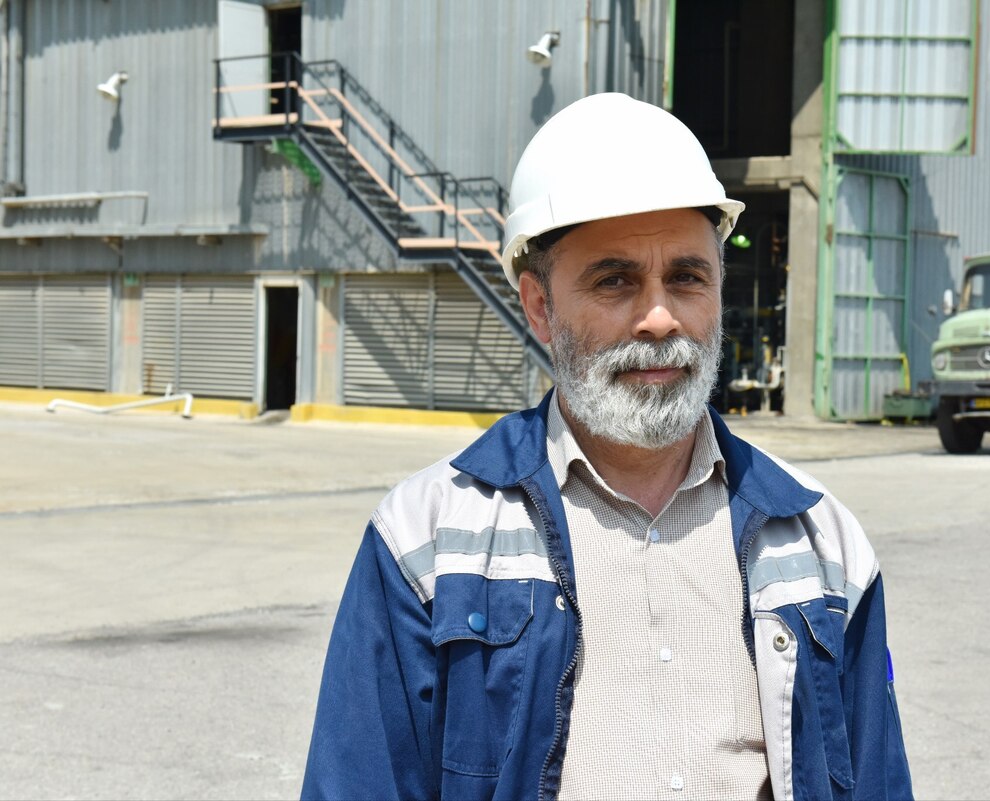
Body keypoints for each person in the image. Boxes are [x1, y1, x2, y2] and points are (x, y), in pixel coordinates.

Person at [301, 93, 913, 801]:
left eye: (686, 276)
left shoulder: (822, 542)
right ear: (540, 307)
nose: (659, 317)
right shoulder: (426, 538)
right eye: (614, 280)